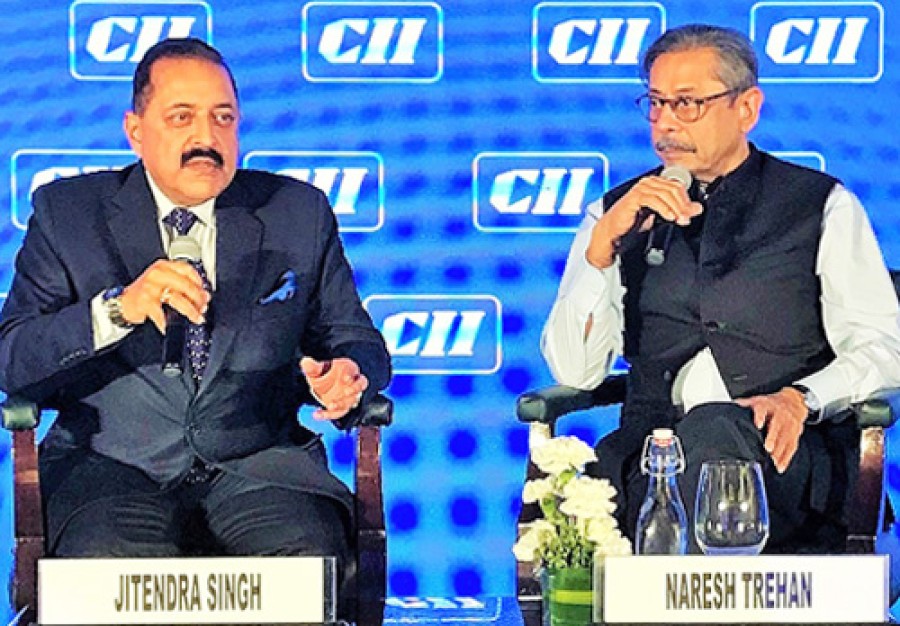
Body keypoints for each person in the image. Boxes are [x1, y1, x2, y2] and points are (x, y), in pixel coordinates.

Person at [0, 37, 390, 582]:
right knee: (112, 569)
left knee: (306, 563)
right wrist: (117, 310)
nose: (205, 138)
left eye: (222, 117)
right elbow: (13, 358)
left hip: (260, 468)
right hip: (109, 470)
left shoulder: (297, 212)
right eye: (181, 117)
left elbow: (357, 340)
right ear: (136, 130)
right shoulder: (69, 215)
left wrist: (348, 375)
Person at [541, 24, 900, 552]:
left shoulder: (820, 204)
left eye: (687, 104)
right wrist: (600, 253)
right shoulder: (614, 213)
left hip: (784, 464)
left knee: (714, 430)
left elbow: (885, 349)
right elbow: (575, 373)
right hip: (649, 462)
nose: (665, 122)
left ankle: (669, 579)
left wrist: (802, 399)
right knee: (611, 488)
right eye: (656, 102)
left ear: (746, 108)